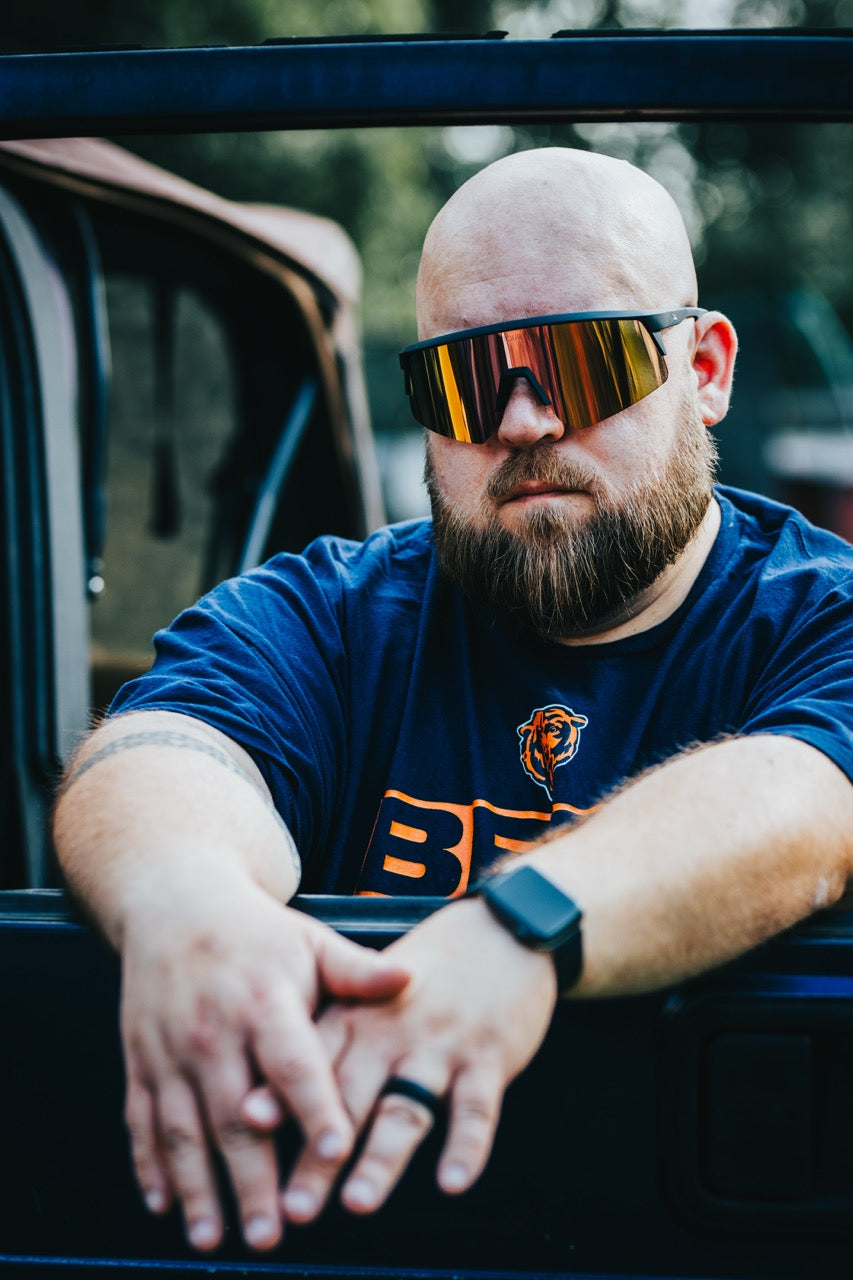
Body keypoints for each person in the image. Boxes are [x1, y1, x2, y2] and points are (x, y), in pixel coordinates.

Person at [53, 147, 853, 1256]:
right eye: (465, 380)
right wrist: (182, 899)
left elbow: (809, 796)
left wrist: (519, 928)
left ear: (705, 369)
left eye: (580, 363)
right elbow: (163, 744)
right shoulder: (332, 610)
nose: (521, 420)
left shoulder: (820, 615)